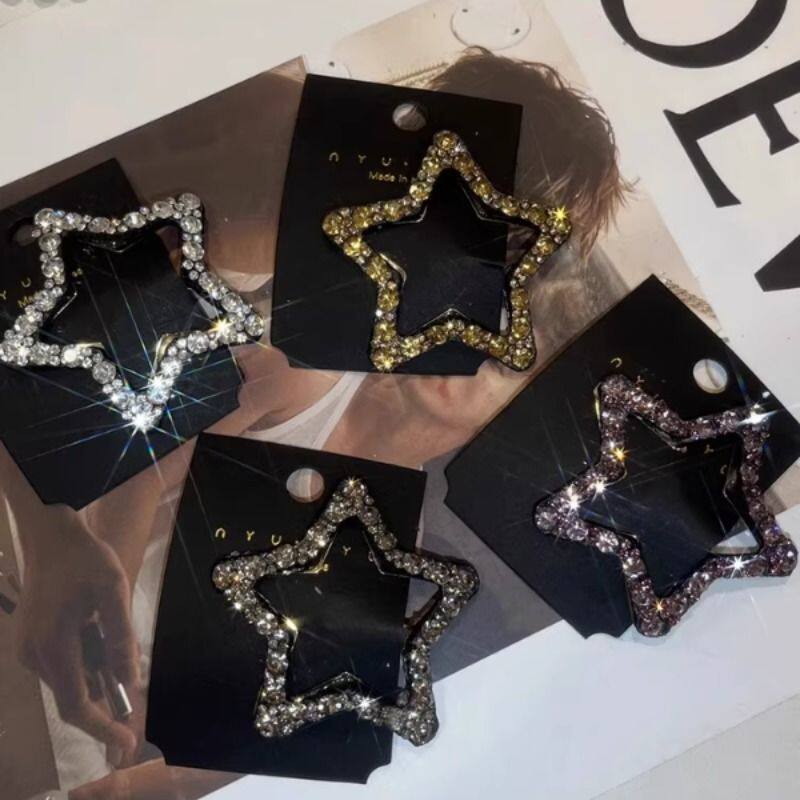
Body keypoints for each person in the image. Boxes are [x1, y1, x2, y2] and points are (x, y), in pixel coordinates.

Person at [6, 49, 630, 799]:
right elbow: (139, 455)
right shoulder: (276, 187)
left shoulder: (398, 479)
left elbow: (299, 700)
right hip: (79, 562)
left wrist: (151, 767)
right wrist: (101, 597)